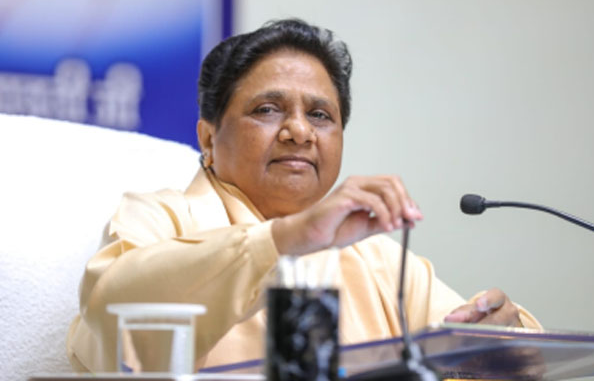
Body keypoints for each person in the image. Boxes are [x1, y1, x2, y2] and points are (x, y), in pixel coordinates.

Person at [67, 19, 540, 372]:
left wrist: (502, 339)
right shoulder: (158, 217)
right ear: (208, 138)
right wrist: (284, 239)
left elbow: (468, 348)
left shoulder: (378, 260)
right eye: (267, 109)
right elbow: (112, 319)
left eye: (320, 115)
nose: (299, 131)